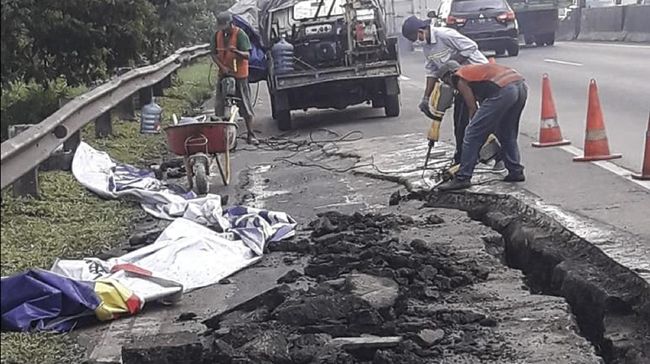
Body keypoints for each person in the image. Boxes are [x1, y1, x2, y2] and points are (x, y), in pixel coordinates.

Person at [401, 15, 488, 165]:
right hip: (460, 83)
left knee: (483, 119)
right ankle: (461, 158)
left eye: (414, 37)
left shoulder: (445, 35)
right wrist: (426, 98)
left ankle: (497, 155)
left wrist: (452, 65)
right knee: (460, 123)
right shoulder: (427, 48)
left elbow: (471, 46)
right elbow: (432, 72)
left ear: (421, 30)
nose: (416, 41)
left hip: (479, 77)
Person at [435, 60, 528, 191]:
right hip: (520, 86)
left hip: (505, 90)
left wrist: (477, 132)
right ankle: (515, 171)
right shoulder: (473, 73)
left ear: (449, 75)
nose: (450, 86)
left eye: (446, 82)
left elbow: (472, 108)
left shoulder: (459, 77)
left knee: (471, 134)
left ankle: (463, 177)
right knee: (507, 133)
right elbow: (486, 102)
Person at [211, 12, 258, 145]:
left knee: (245, 104)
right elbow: (213, 53)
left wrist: (236, 51)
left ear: (231, 24)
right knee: (219, 105)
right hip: (224, 73)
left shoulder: (240, 34)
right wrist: (222, 67)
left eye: (225, 27)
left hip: (240, 75)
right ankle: (222, 137)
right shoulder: (217, 35)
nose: (223, 30)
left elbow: (247, 55)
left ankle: (251, 134)